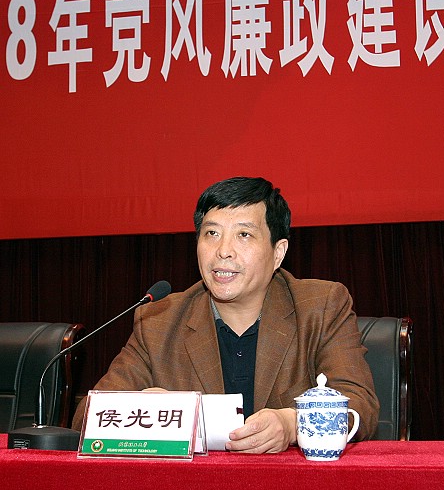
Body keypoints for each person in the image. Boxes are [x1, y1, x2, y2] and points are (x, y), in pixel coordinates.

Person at [72, 176, 379, 453]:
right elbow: (86, 415)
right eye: (211, 233)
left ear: (278, 253)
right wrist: (143, 410)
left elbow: (360, 407)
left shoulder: (320, 306)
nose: (223, 251)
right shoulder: (159, 321)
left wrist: (292, 424)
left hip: (293, 489)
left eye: (244, 234)